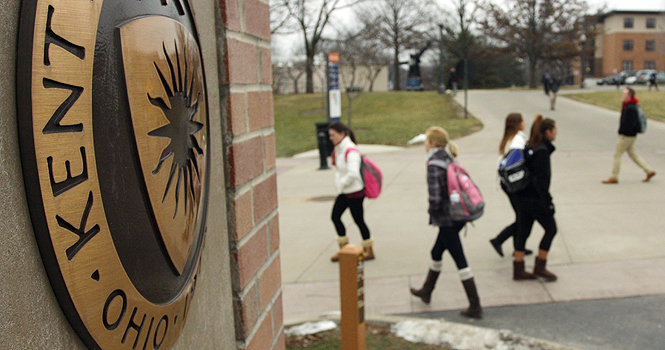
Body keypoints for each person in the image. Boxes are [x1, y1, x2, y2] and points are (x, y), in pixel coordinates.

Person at [410, 127, 482, 319]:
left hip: (446, 218)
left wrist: (432, 214)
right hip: (457, 215)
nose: (424, 144)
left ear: (432, 144)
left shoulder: (434, 164)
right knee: (436, 252)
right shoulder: (449, 158)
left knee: (460, 259)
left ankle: (475, 305)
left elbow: (434, 197)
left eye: (426, 141)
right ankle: (426, 290)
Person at [512, 115, 559, 282]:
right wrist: (548, 203)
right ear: (547, 132)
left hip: (522, 196)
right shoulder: (542, 152)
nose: (557, 133)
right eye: (555, 130)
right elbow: (542, 182)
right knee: (551, 229)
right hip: (534, 199)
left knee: (523, 231)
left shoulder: (531, 146)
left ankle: (518, 268)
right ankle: (540, 266)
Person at [328, 121, 375, 262]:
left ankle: (369, 250)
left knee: (359, 220)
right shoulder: (339, 148)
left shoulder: (350, 149)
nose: (331, 138)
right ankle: (344, 250)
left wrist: (341, 184)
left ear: (342, 134)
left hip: (354, 192)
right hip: (344, 192)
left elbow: (353, 173)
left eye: (333, 135)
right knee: (335, 217)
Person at [489, 113, 533, 257]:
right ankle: (500, 240)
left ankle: (518, 247)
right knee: (524, 217)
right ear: (519, 124)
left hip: (506, 183)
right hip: (515, 184)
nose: (525, 123)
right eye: (523, 121)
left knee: (521, 215)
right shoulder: (518, 141)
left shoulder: (508, 139)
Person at [602, 88, 656, 184]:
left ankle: (614, 176)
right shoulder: (629, 105)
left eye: (624, 94)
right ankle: (649, 170)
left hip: (627, 135)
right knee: (633, 154)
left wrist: (622, 131)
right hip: (630, 135)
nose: (623, 95)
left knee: (617, 155)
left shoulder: (630, 107)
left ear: (629, 95)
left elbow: (630, 123)